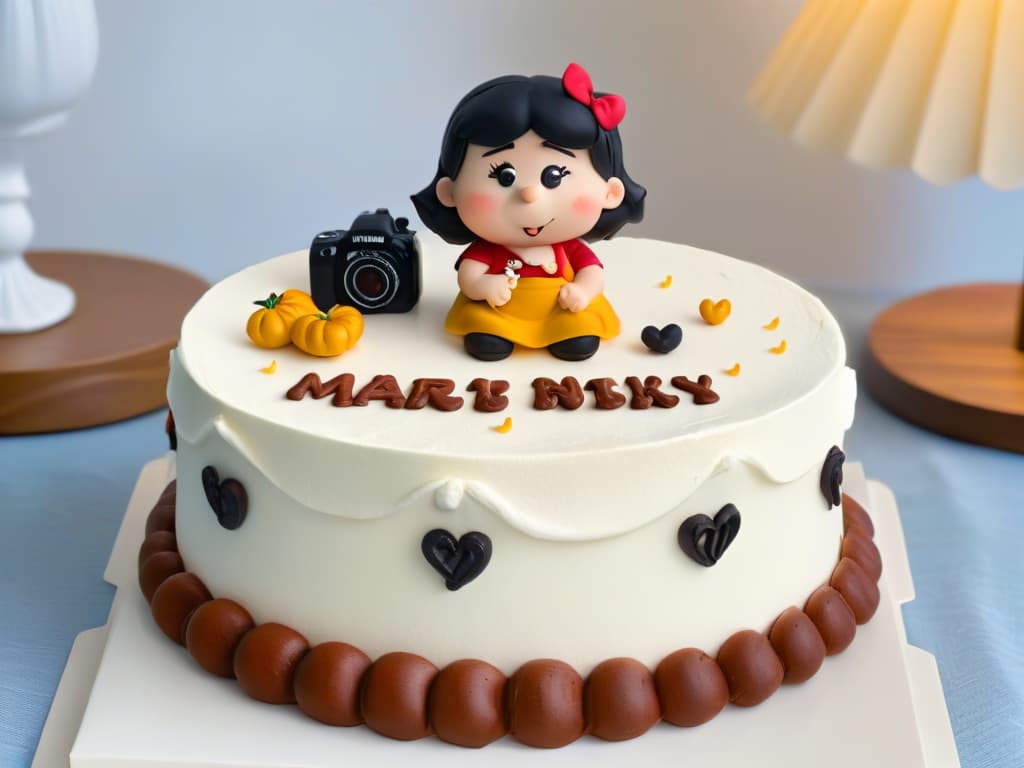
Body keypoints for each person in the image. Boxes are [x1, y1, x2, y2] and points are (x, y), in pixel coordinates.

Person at [412, 63, 646, 361]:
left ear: (610, 193)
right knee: (486, 334)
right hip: (499, 312)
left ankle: (570, 334)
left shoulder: (570, 249)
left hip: (559, 310)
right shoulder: (488, 250)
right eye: (504, 176)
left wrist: (583, 292)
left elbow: (592, 273)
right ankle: (494, 335)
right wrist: (484, 285)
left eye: (554, 176)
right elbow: (469, 277)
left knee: (578, 334)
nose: (529, 193)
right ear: (450, 192)